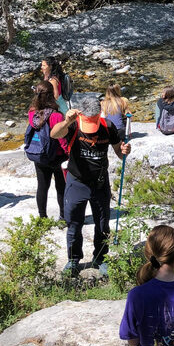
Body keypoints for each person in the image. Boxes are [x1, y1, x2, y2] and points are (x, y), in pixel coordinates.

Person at [51, 95, 131, 276]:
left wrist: (124, 151)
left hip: (100, 184)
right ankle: (73, 260)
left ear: (99, 114)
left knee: (103, 224)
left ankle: (101, 258)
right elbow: (54, 134)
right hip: (76, 183)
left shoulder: (107, 126)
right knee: (74, 224)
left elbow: (119, 151)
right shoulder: (73, 124)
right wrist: (66, 121)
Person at [27, 80, 69, 220]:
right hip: (57, 156)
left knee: (42, 187)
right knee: (61, 187)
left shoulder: (32, 113)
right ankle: (63, 217)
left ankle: (42, 217)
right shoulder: (56, 116)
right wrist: (68, 153)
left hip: (40, 154)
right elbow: (61, 138)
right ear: (52, 95)